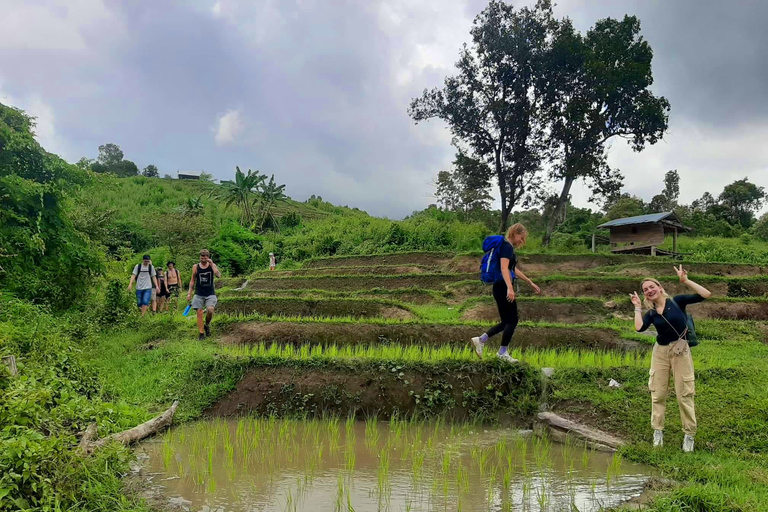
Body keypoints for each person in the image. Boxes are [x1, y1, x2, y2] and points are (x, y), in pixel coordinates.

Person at [631, 265, 711, 453]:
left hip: (680, 352)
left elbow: (705, 294)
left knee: (684, 393)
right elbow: (639, 328)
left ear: (659, 287)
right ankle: (657, 431)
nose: (649, 291)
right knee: (657, 393)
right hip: (660, 352)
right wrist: (637, 308)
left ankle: (689, 434)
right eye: (645, 290)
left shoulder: (677, 302)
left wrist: (685, 281)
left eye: (652, 287)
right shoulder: (651, 313)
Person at [470, 224, 541, 363]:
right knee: (513, 320)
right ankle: (502, 353)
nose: (522, 241)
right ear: (515, 233)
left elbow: (512, 269)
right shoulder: (507, 246)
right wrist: (510, 287)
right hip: (503, 287)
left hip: (500, 286)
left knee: (505, 322)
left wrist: (529, 282)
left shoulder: (507, 247)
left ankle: (481, 340)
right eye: (521, 237)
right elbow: (503, 268)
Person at [187, 249, 222, 340]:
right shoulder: (195, 267)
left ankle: (206, 325)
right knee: (199, 312)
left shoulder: (212, 265)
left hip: (210, 293)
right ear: (200, 257)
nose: (203, 259)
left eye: (205, 257)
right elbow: (192, 281)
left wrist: (212, 265)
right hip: (199, 293)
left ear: (208, 257)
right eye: (202, 257)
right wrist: (189, 293)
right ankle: (201, 333)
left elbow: (218, 275)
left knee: (210, 310)